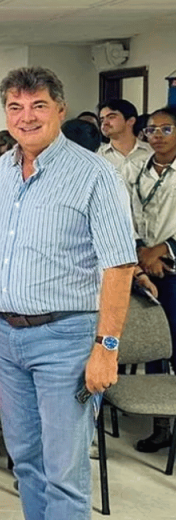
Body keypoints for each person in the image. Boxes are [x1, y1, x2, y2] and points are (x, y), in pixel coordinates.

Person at [0, 67, 135, 520]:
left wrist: (106, 348)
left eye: (38, 106)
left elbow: (120, 265)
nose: (26, 117)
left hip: (65, 339)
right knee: (26, 460)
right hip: (4, 336)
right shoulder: (4, 170)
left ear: (60, 110)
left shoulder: (95, 175)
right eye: (16, 107)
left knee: (65, 471)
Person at [122, 106, 176, 453]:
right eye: (151, 130)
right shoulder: (134, 169)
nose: (156, 136)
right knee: (154, 347)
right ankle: (161, 426)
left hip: (171, 267)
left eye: (166, 129)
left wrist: (164, 249)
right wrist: (142, 253)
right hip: (144, 270)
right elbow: (125, 215)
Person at [99, 99, 153, 171]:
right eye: (102, 119)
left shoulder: (151, 152)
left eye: (111, 117)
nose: (105, 123)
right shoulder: (98, 157)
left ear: (131, 121)